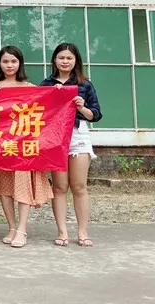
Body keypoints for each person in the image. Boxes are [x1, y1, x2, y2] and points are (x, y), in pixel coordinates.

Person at [0, 46, 53, 248]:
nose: (9, 65)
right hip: (1, 145)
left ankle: (22, 229)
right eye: (5, 61)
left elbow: (46, 109)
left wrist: (59, 92)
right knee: (5, 188)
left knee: (22, 186)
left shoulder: (30, 87)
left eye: (13, 61)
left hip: (23, 146)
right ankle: (11, 227)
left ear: (20, 63)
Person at [40, 42, 102, 248]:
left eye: (69, 58)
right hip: (54, 137)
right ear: (54, 60)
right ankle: (62, 231)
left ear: (76, 61)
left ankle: (82, 232)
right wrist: (52, 97)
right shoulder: (46, 84)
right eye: (61, 57)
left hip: (78, 135)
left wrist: (81, 107)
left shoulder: (85, 84)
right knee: (59, 187)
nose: (65, 61)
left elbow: (96, 115)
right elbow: (36, 111)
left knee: (79, 186)